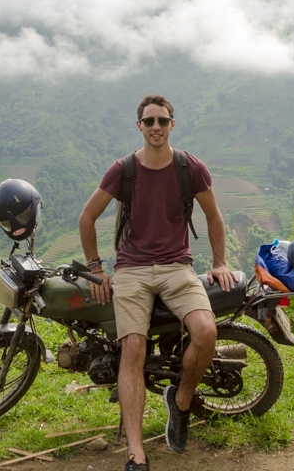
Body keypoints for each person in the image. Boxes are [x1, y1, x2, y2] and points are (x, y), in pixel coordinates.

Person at [78, 94, 235, 471]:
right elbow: (87, 218)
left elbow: (214, 216)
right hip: (131, 270)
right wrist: (96, 267)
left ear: (172, 125)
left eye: (162, 121)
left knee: (206, 331)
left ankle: (180, 402)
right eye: (149, 121)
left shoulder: (190, 168)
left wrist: (219, 262)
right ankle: (136, 453)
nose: (156, 127)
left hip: (177, 267)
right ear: (139, 126)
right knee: (133, 347)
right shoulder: (123, 170)